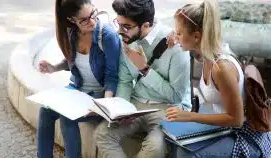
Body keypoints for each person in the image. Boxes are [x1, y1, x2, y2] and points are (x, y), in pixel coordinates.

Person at [165, 0, 271, 157]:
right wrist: (177, 38)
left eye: (179, 33)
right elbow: (188, 42)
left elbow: (236, 119)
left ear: (196, 36)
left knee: (185, 154)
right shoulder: (207, 52)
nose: (176, 36)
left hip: (244, 134)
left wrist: (190, 116)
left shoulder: (221, 68)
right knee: (172, 143)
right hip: (224, 128)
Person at [95, 0, 192, 157]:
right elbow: (125, 81)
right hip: (137, 104)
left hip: (168, 108)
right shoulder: (126, 39)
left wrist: (145, 70)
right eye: (118, 24)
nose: (120, 31)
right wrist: (123, 110)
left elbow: (176, 96)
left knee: (155, 148)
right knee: (102, 134)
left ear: (146, 25)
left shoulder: (176, 46)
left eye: (126, 27)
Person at [37, 0, 121, 157]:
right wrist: (53, 68)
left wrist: (104, 105)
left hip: (99, 95)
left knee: (67, 115)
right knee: (45, 111)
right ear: (71, 20)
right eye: (84, 20)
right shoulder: (71, 33)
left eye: (93, 13)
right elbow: (74, 63)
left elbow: (112, 76)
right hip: (77, 90)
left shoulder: (107, 36)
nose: (92, 21)